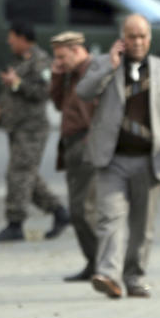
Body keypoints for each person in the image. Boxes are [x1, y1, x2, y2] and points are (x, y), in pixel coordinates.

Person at [76, 14, 160, 299]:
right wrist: (109, 68)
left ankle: (134, 277)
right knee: (109, 219)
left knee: (141, 226)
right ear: (121, 38)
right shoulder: (102, 64)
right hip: (112, 160)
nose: (137, 42)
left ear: (149, 39)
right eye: (131, 36)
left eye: (142, 36)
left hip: (151, 160)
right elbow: (84, 93)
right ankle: (108, 275)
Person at [0, 21, 70, 243]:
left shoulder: (40, 61)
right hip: (16, 126)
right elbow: (10, 90)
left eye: (12, 38)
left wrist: (18, 83)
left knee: (18, 174)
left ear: (24, 38)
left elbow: (43, 92)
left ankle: (15, 224)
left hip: (32, 128)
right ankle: (60, 213)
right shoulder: (19, 61)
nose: (9, 42)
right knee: (26, 175)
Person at [49, 32, 98, 281]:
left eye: (62, 57)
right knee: (78, 210)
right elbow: (58, 104)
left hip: (86, 145)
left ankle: (105, 264)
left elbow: (106, 108)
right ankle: (94, 263)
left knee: (84, 210)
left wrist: (95, 140)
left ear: (77, 50)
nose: (59, 62)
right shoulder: (70, 75)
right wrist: (58, 75)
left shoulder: (93, 72)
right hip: (71, 146)